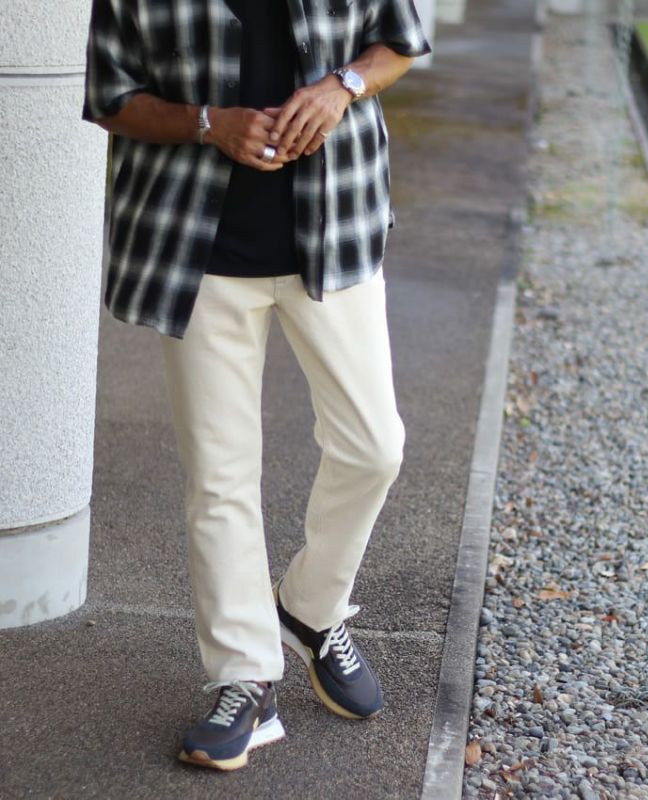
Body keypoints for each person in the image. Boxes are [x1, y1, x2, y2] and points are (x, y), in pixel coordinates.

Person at [82, 0, 430, 772]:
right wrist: (209, 123)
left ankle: (310, 607)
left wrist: (340, 87)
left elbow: (399, 44)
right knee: (220, 477)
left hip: (334, 229)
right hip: (198, 247)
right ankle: (244, 678)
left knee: (374, 447)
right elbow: (110, 97)